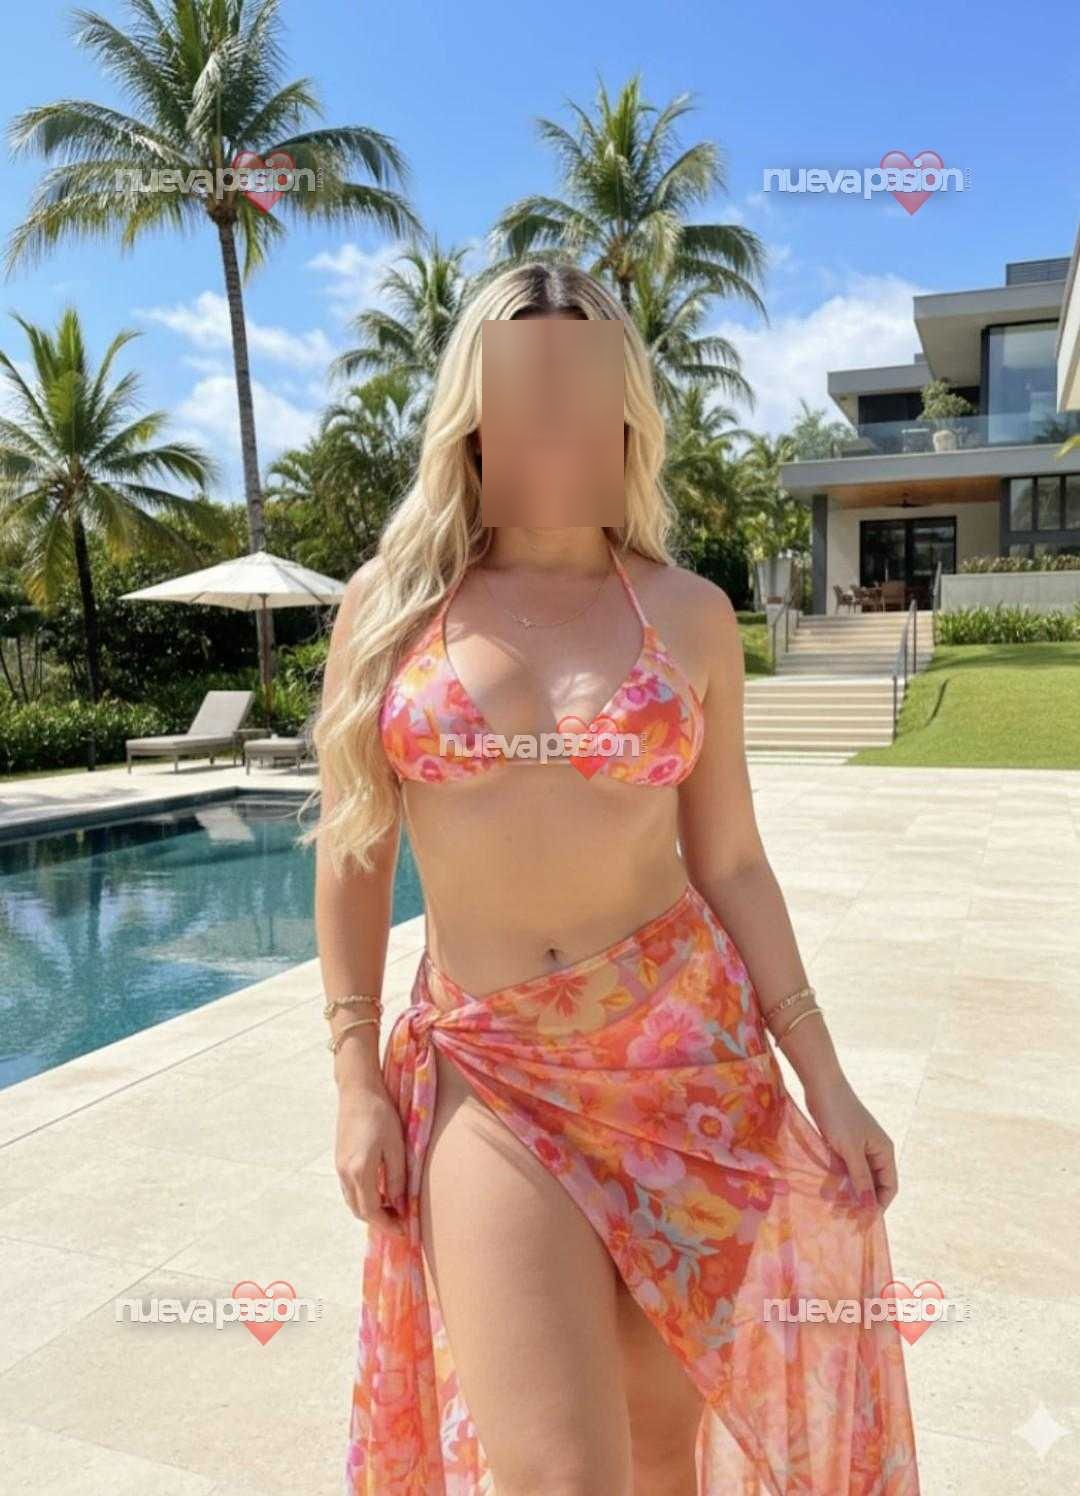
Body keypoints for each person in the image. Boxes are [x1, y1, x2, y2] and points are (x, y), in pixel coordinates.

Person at [304, 261, 919, 1495]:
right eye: (524, 396)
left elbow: (732, 860)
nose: (555, 428)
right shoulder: (393, 606)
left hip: (688, 1069)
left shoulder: (689, 614)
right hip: (492, 1069)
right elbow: (355, 846)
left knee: (657, 1448)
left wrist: (828, 1077)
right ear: (472, 413)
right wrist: (355, 1077)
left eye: (582, 398)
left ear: (626, 414)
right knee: (559, 1472)